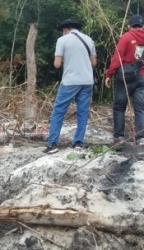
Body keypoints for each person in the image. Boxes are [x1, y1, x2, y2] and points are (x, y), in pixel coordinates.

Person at [43, 19, 97, 154]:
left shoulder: (62, 40)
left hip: (70, 81)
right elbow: (94, 63)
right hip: (87, 81)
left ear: (65, 29)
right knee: (83, 111)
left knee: (58, 111)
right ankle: (78, 143)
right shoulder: (89, 40)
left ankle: (53, 144)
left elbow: (57, 64)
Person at [105, 14, 144, 146]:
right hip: (142, 77)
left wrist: (109, 74)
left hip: (125, 78)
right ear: (143, 26)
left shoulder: (126, 37)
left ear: (129, 26)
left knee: (119, 107)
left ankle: (119, 138)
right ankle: (141, 139)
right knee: (140, 108)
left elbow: (117, 58)